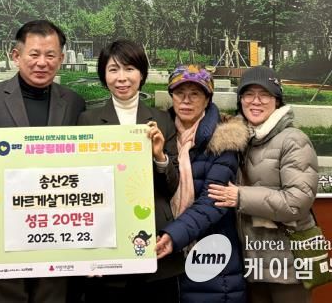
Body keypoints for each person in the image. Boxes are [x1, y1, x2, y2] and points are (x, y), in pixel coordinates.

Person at [0, 19, 86, 303]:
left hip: (56, 232)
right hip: (1, 231)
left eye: (50, 55)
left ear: (61, 59)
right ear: (16, 55)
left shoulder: (74, 102)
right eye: (34, 54)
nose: (42, 62)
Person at [77, 39, 182, 301]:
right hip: (104, 238)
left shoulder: (162, 120)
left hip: (154, 238)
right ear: (104, 75)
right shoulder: (88, 120)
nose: (122, 78)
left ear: (142, 73)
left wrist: (159, 156)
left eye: (129, 69)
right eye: (113, 70)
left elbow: (171, 186)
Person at [208, 66, 319, 303]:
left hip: (289, 263)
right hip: (252, 260)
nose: (256, 101)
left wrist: (240, 197)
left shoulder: (293, 140)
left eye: (265, 94)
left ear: (277, 100)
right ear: (240, 100)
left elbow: (297, 202)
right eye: (249, 94)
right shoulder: (240, 139)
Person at [155, 65, 248, 303]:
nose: (186, 100)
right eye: (180, 93)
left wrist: (173, 235)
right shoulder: (158, 137)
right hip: (163, 258)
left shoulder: (223, 140)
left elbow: (213, 200)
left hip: (210, 253)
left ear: (207, 99)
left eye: (195, 94)